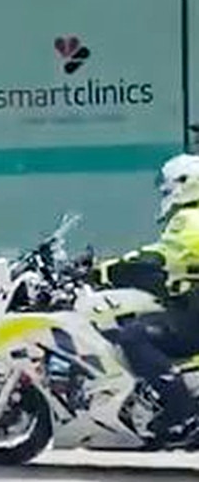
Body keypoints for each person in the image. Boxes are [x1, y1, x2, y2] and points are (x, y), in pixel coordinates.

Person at [93, 153, 199, 448]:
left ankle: (181, 410)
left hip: (195, 311)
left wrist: (107, 268)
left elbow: (160, 255)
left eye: (167, 186)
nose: (165, 192)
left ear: (185, 183)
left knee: (133, 336)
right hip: (189, 304)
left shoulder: (189, 219)